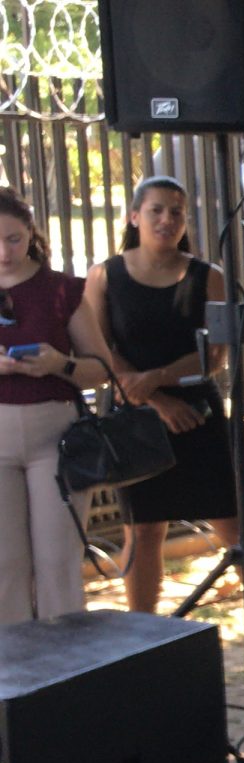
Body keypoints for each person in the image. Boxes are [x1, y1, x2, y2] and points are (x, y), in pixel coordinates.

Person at [83, 176, 244, 666]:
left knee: (237, 530)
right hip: (134, 418)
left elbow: (216, 355)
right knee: (143, 531)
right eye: (158, 210)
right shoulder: (105, 275)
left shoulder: (208, 275)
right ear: (134, 216)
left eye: (177, 213)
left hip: (197, 414)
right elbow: (100, 353)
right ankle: (143, 644)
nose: (167, 220)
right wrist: (156, 401)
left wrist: (161, 378)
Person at [0, 189, 113, 624]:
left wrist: (58, 363)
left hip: (55, 434)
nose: (6, 252)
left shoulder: (61, 289)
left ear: (31, 233)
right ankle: (16, 674)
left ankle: (65, 675)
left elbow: (100, 367)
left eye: (14, 239)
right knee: (6, 567)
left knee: (59, 562)